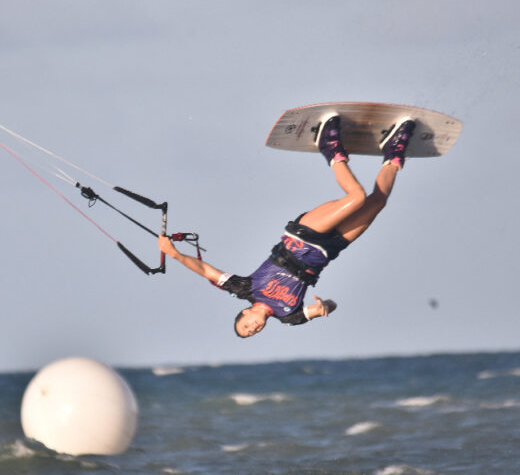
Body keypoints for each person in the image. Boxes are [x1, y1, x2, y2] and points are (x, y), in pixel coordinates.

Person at [158, 112, 414, 338]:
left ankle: (328, 143)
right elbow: (327, 306)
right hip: (330, 249)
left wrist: (175, 254)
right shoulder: (289, 316)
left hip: (303, 238)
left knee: (356, 198)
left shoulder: (247, 289)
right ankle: (392, 152)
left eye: (246, 327)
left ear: (245, 312)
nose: (253, 329)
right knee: (377, 201)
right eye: (252, 334)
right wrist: (326, 305)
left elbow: (206, 271)